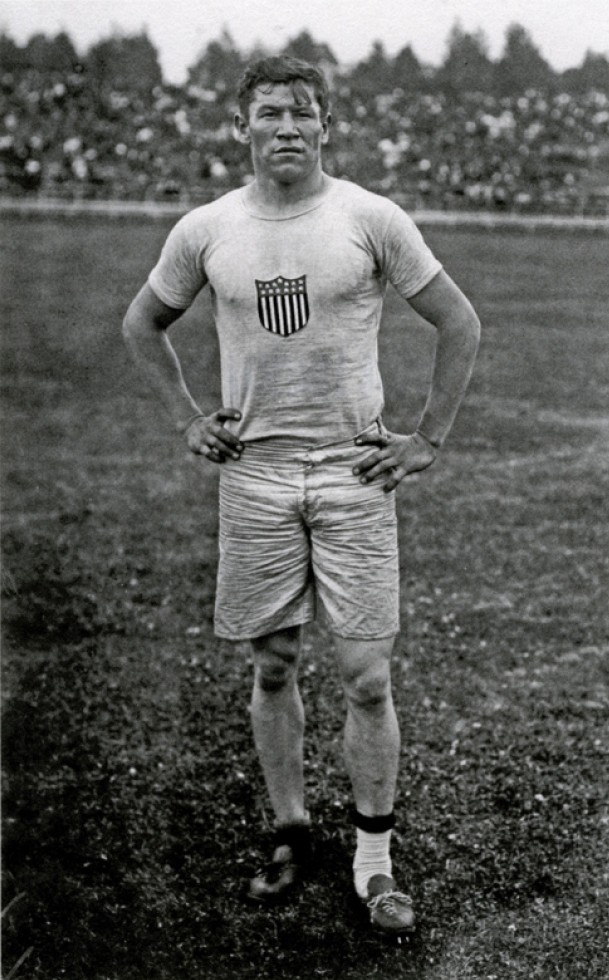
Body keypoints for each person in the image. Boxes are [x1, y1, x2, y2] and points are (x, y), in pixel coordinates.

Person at [123, 55, 480, 936]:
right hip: (255, 475)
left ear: (326, 125)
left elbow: (457, 320)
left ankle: (373, 857)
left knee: (366, 675)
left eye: (302, 112)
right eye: (270, 112)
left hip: (355, 472)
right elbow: (142, 323)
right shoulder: (206, 229)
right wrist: (187, 417)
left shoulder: (368, 217)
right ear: (240, 127)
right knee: (274, 663)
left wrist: (427, 438)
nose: (287, 126)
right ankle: (290, 832)